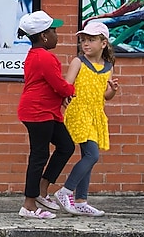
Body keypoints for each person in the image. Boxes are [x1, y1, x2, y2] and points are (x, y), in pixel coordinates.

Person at [53, 22, 119, 217]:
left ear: (104, 43)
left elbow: (105, 96)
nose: (86, 44)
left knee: (87, 158)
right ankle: (65, 191)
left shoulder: (108, 66)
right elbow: (67, 85)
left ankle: (81, 200)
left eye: (91, 40)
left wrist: (112, 91)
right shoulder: (78, 62)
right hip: (80, 113)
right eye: (83, 40)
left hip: (96, 114)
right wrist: (66, 96)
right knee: (92, 155)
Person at [16, 10, 75, 219]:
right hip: (37, 112)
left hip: (45, 111)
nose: (57, 35)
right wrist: (70, 92)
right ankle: (29, 205)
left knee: (66, 145)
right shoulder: (44, 57)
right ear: (44, 36)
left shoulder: (37, 55)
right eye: (54, 31)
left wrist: (62, 96)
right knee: (39, 156)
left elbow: (51, 86)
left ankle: (42, 189)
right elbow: (58, 84)